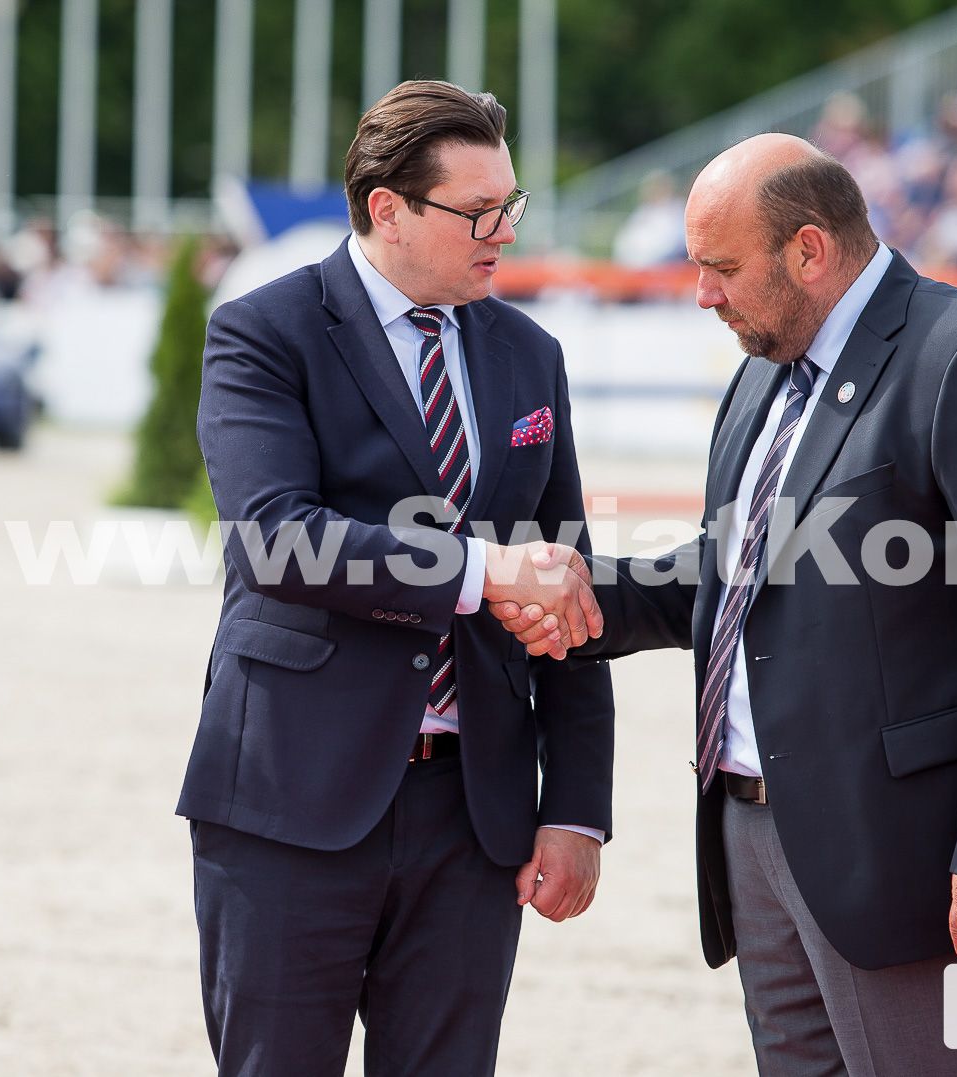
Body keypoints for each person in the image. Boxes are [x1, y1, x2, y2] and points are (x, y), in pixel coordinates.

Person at [492, 133, 957, 1075]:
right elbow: (737, 570)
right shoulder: (763, 369)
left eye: (722, 269)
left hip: (931, 856)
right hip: (759, 839)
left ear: (808, 250)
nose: (702, 294)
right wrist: (586, 597)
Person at [176, 80, 613, 1076]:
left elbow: (565, 583)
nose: (505, 232)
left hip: (475, 815)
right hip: (291, 800)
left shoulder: (529, 354)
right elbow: (275, 539)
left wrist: (574, 807)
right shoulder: (264, 331)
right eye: (479, 211)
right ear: (388, 208)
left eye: (511, 204)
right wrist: (479, 570)